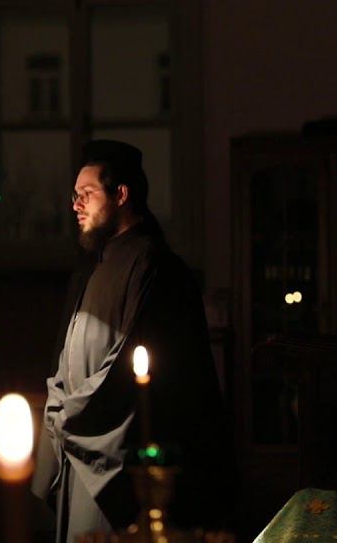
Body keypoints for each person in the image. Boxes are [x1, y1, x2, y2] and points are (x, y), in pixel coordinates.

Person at [32, 140, 235, 541]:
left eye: (87, 193)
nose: (76, 205)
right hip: (79, 447)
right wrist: (57, 411)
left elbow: (128, 369)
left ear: (121, 194)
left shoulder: (155, 267)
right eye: (74, 195)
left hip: (113, 461)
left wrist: (70, 417)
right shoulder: (95, 267)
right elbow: (66, 357)